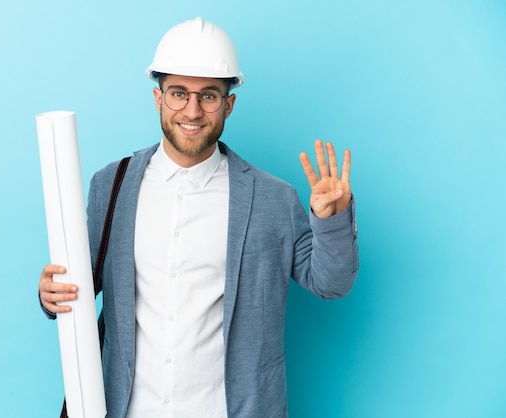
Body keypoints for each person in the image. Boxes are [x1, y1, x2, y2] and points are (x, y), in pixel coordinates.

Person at [39, 17, 358, 418]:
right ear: (158, 99)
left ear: (229, 104)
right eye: (178, 93)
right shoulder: (112, 185)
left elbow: (331, 284)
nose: (192, 110)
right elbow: (80, 284)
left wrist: (331, 219)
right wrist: (51, 294)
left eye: (208, 96)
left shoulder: (274, 198)